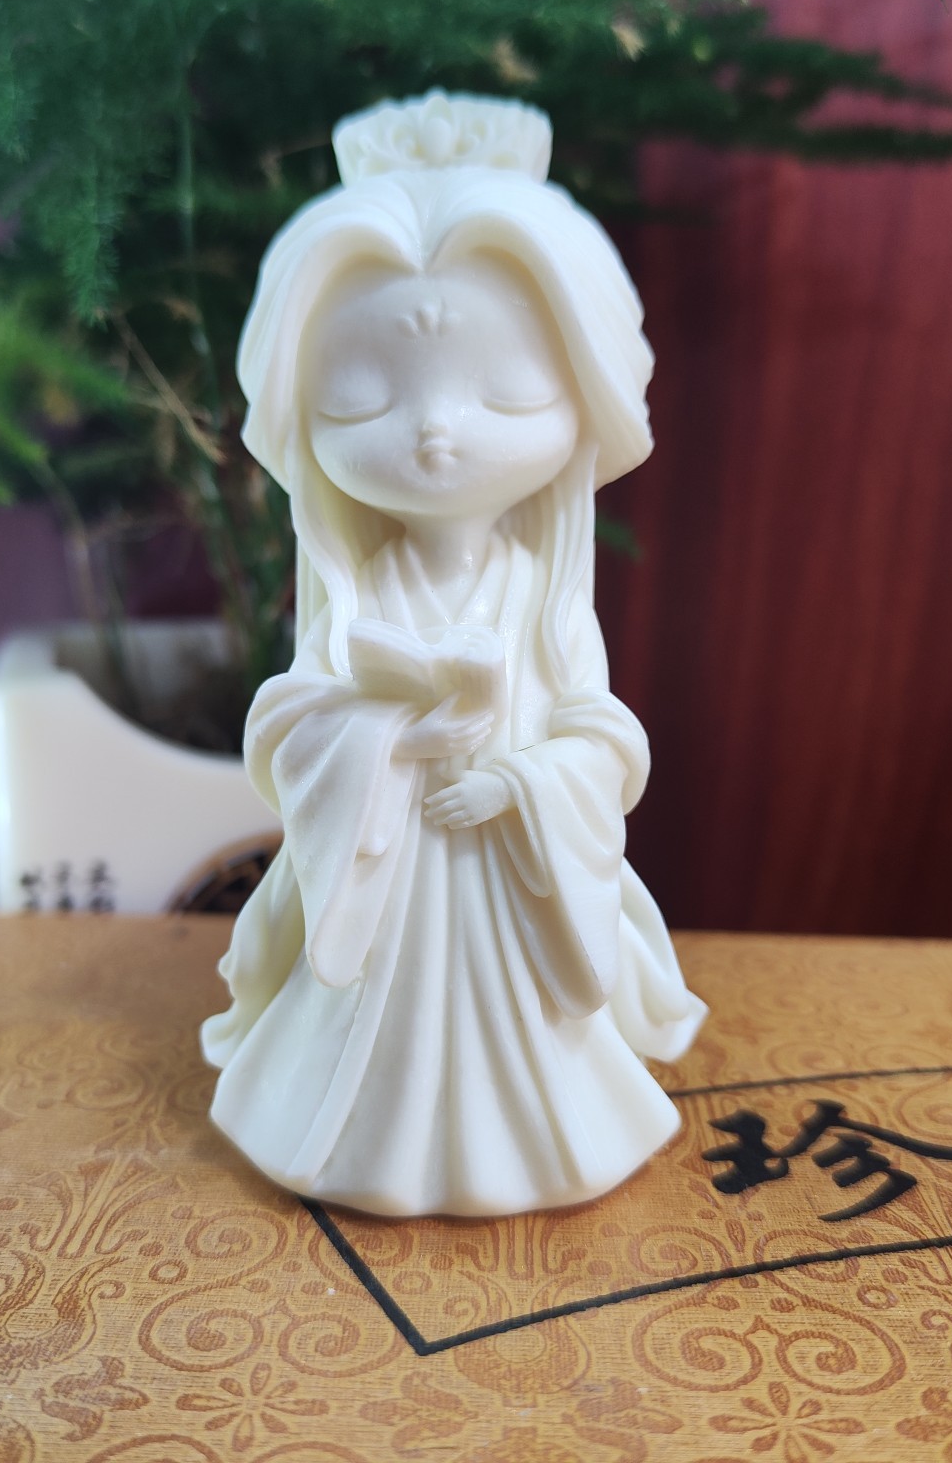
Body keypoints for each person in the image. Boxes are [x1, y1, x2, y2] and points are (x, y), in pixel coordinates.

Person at [201, 91, 706, 1217]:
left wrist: (521, 784)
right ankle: (351, 1125)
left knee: (526, 1051)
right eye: (360, 396)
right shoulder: (358, 592)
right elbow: (293, 724)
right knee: (359, 1038)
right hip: (385, 874)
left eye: (507, 390)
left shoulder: (539, 597)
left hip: (506, 871)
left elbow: (600, 735)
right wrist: (387, 736)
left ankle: (535, 1125)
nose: (437, 429)